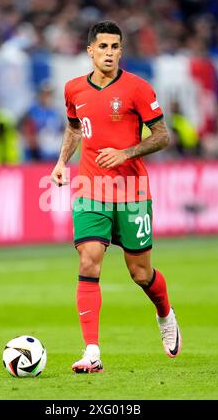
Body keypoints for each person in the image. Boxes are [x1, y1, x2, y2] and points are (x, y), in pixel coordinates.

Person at [51, 21, 182, 373]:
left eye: (115, 47)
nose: (109, 53)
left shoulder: (137, 88)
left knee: (140, 273)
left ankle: (165, 313)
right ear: (90, 50)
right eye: (103, 46)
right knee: (88, 260)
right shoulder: (73, 89)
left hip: (131, 190)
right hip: (91, 188)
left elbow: (163, 136)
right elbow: (74, 127)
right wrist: (62, 162)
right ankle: (92, 352)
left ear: (121, 51)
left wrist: (126, 153)